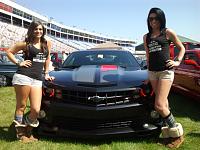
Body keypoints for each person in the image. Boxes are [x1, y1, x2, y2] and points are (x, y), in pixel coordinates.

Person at [143, 8, 185, 148]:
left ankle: (178, 134)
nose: (153, 21)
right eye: (151, 19)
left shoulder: (167, 32)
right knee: (165, 105)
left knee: (159, 105)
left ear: (161, 19)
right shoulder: (146, 37)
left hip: (166, 72)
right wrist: (148, 75)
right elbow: (148, 57)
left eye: (156, 18)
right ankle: (168, 135)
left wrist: (177, 61)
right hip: (153, 73)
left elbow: (182, 48)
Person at [6, 21, 54, 143]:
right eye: (36, 29)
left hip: (37, 78)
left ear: (43, 31)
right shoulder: (26, 44)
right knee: (21, 106)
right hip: (23, 76)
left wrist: (47, 73)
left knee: (35, 109)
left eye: (40, 29)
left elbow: (47, 58)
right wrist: (19, 62)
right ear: (31, 30)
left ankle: (28, 129)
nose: (38, 31)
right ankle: (22, 134)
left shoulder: (47, 43)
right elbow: (9, 52)